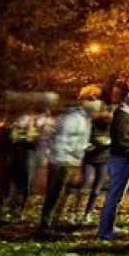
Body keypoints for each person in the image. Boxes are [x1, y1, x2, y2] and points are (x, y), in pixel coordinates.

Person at [40, 98, 97, 232]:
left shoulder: (83, 118)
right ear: (91, 110)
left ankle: (52, 222)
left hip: (69, 160)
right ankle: (46, 224)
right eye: (97, 111)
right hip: (62, 160)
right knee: (55, 193)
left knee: (62, 192)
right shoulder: (74, 119)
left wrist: (84, 147)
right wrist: (82, 147)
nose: (99, 114)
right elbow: (63, 140)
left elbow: (74, 139)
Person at [97, 91, 129, 240]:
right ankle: (105, 231)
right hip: (122, 160)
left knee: (116, 196)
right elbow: (124, 141)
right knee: (114, 197)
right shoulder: (124, 118)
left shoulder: (126, 116)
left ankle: (108, 227)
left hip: (124, 159)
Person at [71, 103, 112, 225]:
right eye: (102, 111)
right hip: (89, 159)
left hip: (104, 160)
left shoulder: (111, 126)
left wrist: (109, 142)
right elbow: (84, 139)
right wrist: (91, 144)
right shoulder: (90, 124)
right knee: (84, 186)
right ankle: (76, 213)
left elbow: (115, 140)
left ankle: (88, 213)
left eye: (106, 112)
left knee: (96, 190)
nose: (105, 114)